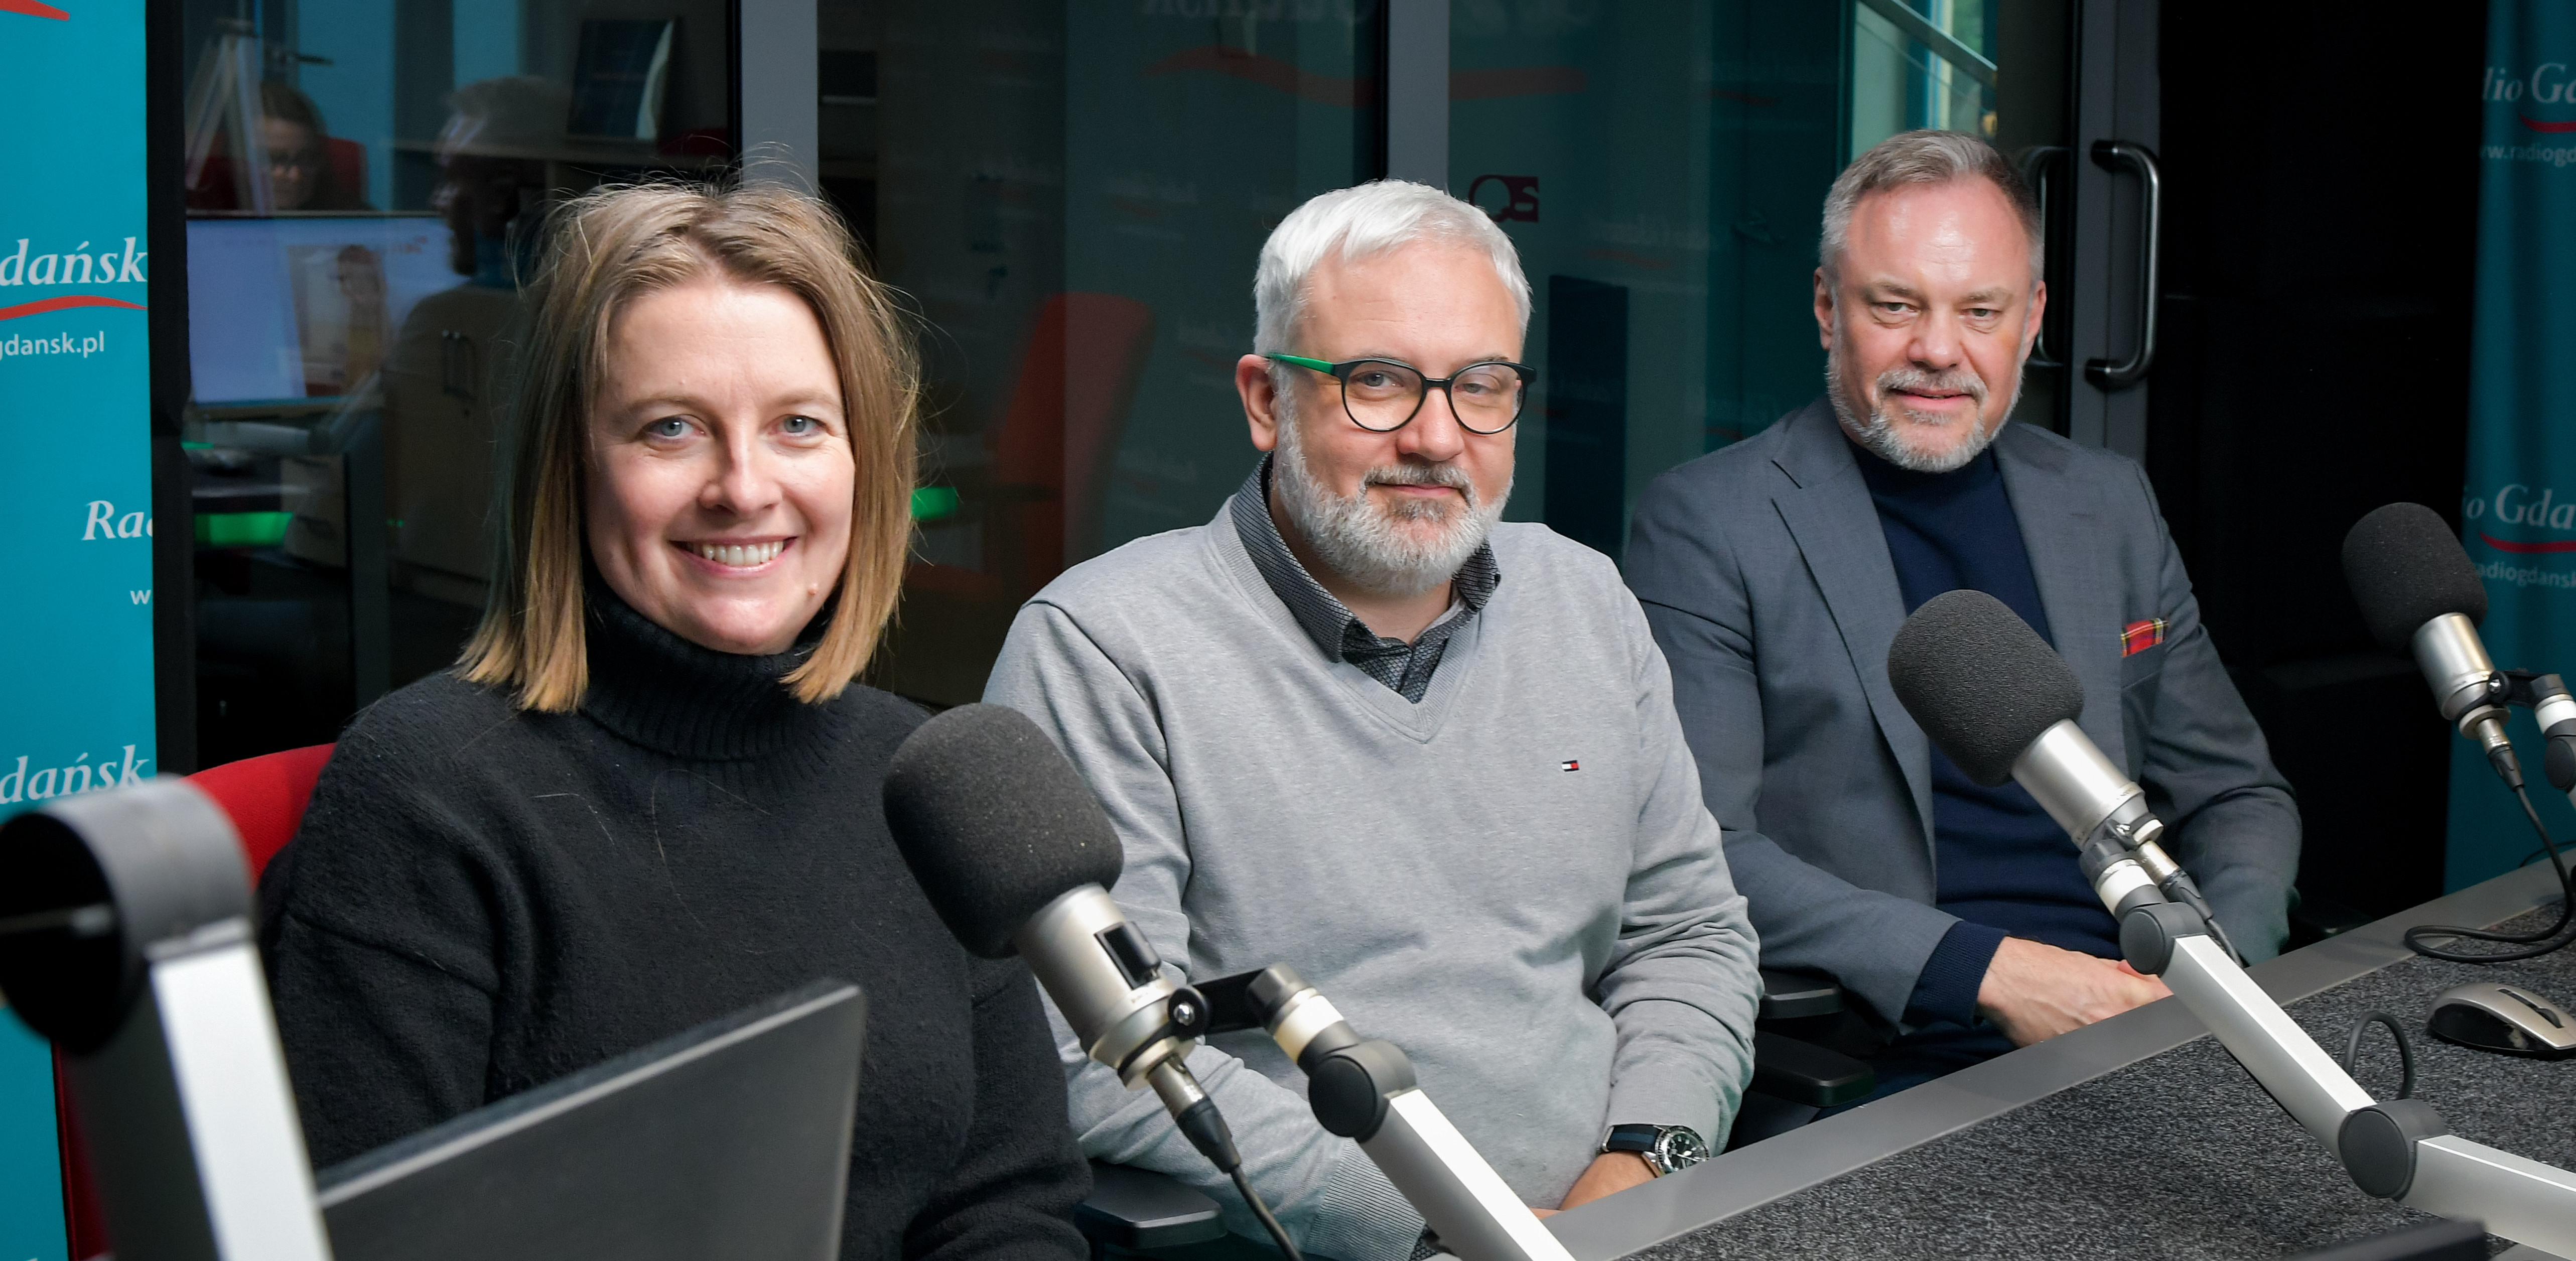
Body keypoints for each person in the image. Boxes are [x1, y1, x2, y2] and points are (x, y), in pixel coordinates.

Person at [259, 181, 1091, 1261]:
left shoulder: (924, 780)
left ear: (861, 464)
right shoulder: (426, 792)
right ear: (568, 470)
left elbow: (1009, 1208)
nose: (743, 488)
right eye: (671, 429)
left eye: (798, 424)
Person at [984, 181, 1760, 1261]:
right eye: (1378, 383)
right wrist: (1454, 1231)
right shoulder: (1103, 647)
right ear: (1264, 398)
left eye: (1481, 386)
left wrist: (1635, 1174)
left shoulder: (1586, 600)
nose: (1436, 436)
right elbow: (1100, 1049)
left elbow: (1689, 936)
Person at [1624, 130, 2299, 1098]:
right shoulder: (1709, 522)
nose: (1937, 351)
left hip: (2159, 1018)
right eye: (1894, 306)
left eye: (1978, 311)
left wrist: (2214, 972)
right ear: (1826, 309)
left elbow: (2237, 795)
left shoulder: (2106, 503)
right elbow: (1701, 851)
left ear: (2030, 319)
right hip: (1904, 1050)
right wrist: (1989, 972)